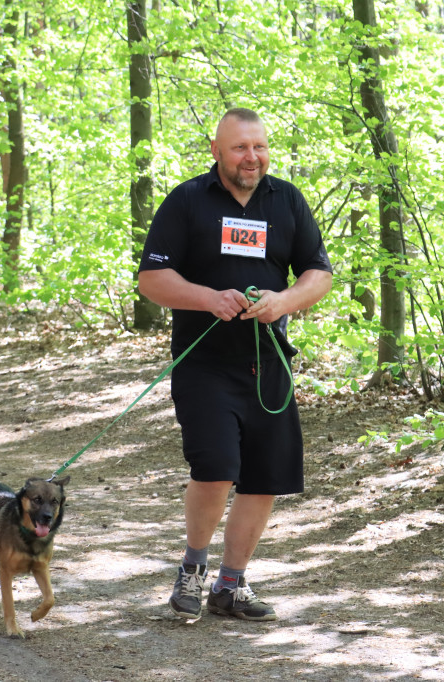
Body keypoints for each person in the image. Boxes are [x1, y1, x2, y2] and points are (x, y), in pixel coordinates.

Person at [138, 108, 333, 622]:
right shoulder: (187, 200)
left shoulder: (286, 199)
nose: (253, 158)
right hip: (203, 363)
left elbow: (318, 272)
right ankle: (192, 570)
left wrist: (284, 301)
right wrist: (207, 298)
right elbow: (152, 281)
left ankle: (231, 585)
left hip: (268, 365)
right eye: (241, 148)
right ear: (216, 151)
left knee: (265, 477)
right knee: (217, 467)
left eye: (260, 147)